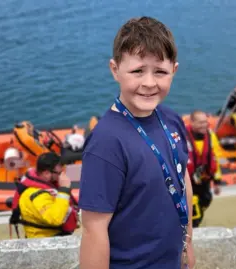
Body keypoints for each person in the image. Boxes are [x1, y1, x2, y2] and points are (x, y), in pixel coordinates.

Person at [78, 17, 195, 269]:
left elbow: (182, 175)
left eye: (160, 72)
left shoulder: (172, 119)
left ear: (174, 70)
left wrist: (188, 244)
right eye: (137, 71)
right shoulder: (106, 143)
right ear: (115, 69)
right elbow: (93, 230)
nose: (149, 83)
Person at [9, 152, 79, 239]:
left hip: (53, 236)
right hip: (44, 241)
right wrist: (64, 190)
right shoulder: (37, 195)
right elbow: (55, 218)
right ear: (46, 173)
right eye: (59, 173)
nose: (62, 176)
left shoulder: (46, 187)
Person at [186, 110, 223, 227]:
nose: (204, 125)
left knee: (206, 199)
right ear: (192, 122)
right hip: (188, 180)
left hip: (203, 179)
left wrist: (217, 181)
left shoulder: (211, 136)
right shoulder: (181, 136)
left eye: (205, 122)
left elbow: (216, 157)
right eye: (201, 123)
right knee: (193, 207)